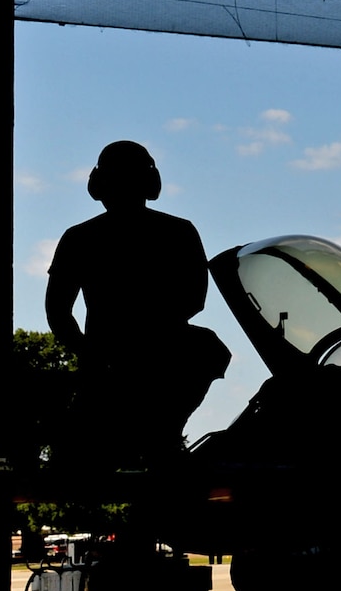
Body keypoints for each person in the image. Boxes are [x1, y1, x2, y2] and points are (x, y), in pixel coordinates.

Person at [46, 141, 227, 466]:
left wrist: (93, 353)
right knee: (208, 349)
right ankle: (161, 435)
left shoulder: (79, 237)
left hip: (111, 359)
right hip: (150, 357)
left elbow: (58, 311)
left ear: (98, 183)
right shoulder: (179, 232)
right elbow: (193, 298)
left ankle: (159, 435)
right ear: (151, 181)